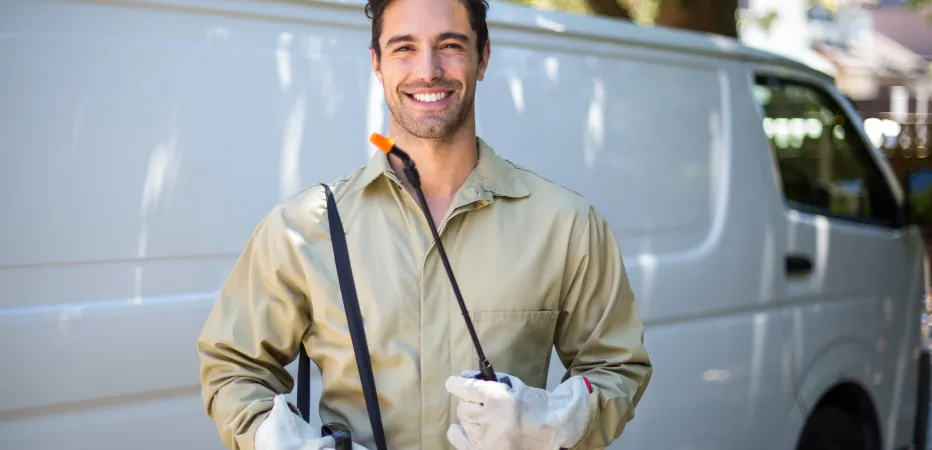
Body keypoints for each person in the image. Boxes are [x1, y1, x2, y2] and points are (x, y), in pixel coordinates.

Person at [196, 0, 652, 447]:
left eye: (450, 44)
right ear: (377, 63)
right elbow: (234, 369)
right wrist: (281, 442)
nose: (429, 69)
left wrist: (552, 420)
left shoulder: (567, 224)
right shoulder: (300, 228)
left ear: (483, 57)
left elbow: (616, 369)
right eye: (404, 47)